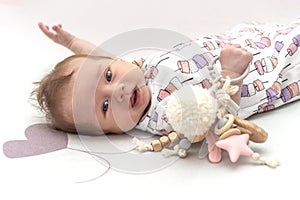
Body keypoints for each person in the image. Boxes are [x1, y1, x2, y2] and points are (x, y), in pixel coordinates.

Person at [32, 18, 300, 136]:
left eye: (109, 77)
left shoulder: (135, 71)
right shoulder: (164, 116)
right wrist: (232, 74)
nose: (117, 92)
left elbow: (101, 59)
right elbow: (218, 119)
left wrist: (73, 42)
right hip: (273, 72)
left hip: (257, 42)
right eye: (104, 107)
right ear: (110, 132)